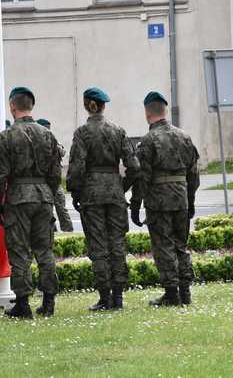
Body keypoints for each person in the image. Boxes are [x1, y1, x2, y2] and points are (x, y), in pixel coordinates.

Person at [0, 87, 62, 319]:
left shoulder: (8, 136)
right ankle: (49, 301)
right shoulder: (47, 134)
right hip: (43, 196)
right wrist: (47, 193)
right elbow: (55, 173)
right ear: (31, 106)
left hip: (19, 197)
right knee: (44, 249)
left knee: (20, 250)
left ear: (13, 106)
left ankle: (23, 304)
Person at [67, 87, 139, 311]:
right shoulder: (118, 131)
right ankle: (118, 298)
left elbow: (76, 168)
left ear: (87, 105)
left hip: (92, 195)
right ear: (103, 105)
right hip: (115, 194)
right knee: (117, 244)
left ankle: (104, 297)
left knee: (98, 246)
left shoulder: (82, 133)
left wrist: (76, 192)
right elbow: (134, 167)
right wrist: (121, 187)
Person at [130, 91, 200, 306]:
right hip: (180, 197)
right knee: (181, 245)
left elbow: (142, 177)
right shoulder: (184, 136)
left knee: (163, 246)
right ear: (165, 110)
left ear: (147, 112)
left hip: (159, 201)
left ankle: (171, 293)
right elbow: (194, 174)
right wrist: (191, 199)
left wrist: (135, 205)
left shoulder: (148, 141)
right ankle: (185, 292)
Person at [36, 118, 74, 233]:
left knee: (61, 209)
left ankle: (68, 232)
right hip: (43, 182)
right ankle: (53, 232)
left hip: (55, 181)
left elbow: (62, 152)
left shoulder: (53, 141)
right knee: (47, 211)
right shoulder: (35, 143)